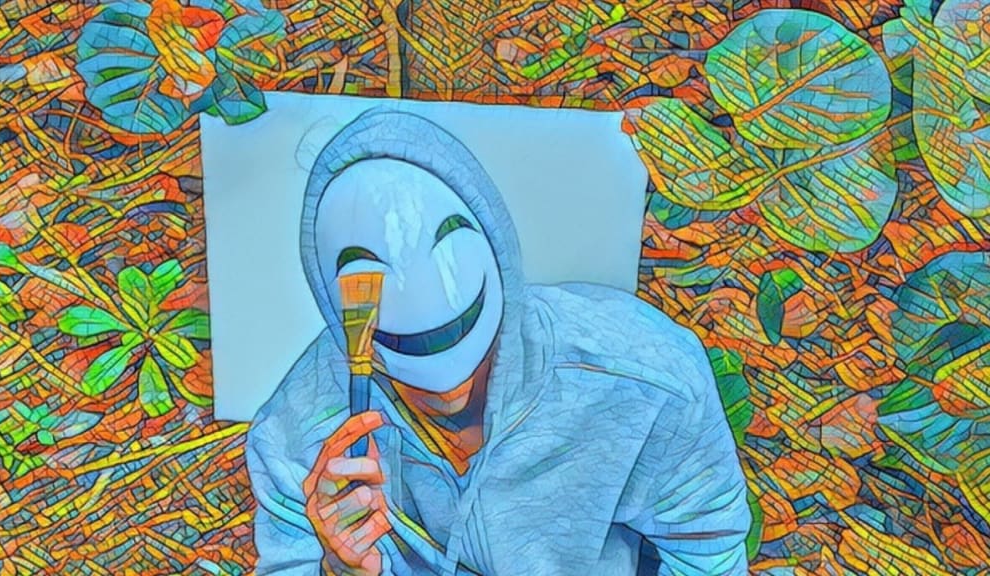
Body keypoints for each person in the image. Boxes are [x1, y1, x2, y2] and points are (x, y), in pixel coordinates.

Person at [246, 108, 751, 576]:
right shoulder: (297, 430)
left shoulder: (647, 383)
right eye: (410, 351)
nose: (448, 393)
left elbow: (707, 553)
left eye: (464, 343)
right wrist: (340, 568)